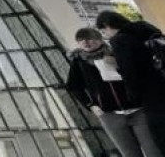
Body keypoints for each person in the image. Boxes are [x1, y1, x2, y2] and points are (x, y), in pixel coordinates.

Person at [66, 26, 163, 157]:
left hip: (138, 110)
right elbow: (73, 86)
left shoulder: (116, 52)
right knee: (130, 154)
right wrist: (90, 105)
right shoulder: (79, 61)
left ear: (99, 39)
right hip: (110, 115)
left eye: (89, 38)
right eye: (81, 40)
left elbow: (137, 73)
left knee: (154, 151)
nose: (85, 42)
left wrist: (117, 64)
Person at [97, 10, 165, 147]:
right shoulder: (146, 28)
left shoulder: (119, 40)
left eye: (103, 32)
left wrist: (133, 95)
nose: (106, 36)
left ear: (107, 25)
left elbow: (129, 71)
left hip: (153, 93)